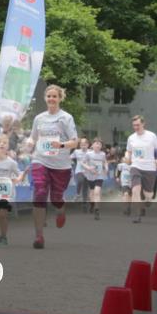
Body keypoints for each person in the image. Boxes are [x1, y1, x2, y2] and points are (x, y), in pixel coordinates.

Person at [29, 85, 78, 249]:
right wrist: (29, 143)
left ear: (60, 98)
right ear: (45, 98)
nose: (51, 99)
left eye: (54, 96)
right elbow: (33, 138)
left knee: (56, 198)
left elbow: (75, 141)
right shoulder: (39, 118)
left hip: (61, 164)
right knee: (40, 191)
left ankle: (60, 209)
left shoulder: (66, 118)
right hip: (40, 159)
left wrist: (62, 145)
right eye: (49, 96)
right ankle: (39, 236)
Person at [0, 136, 25, 247]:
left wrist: (23, 174)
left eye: (4, 143)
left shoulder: (11, 162)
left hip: (6, 193)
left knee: (2, 215)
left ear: (7, 146)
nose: (1, 144)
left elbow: (19, 175)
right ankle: (2, 233)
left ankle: (3, 237)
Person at [126, 115, 157, 224]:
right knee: (135, 190)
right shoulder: (131, 138)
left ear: (143, 124)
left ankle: (148, 199)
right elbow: (128, 151)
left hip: (149, 168)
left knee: (148, 194)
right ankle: (137, 214)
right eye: (134, 125)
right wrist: (127, 156)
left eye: (138, 125)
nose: (136, 127)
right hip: (136, 166)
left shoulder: (151, 136)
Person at [82, 139, 108, 220]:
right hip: (90, 175)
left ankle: (97, 211)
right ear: (92, 145)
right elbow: (82, 163)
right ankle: (92, 204)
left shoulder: (103, 154)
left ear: (101, 146)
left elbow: (105, 162)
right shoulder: (88, 154)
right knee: (92, 193)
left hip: (99, 175)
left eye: (99, 144)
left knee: (97, 192)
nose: (98, 145)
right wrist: (89, 168)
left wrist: (106, 168)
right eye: (96, 144)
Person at [71, 137, 91, 210]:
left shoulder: (90, 152)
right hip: (79, 171)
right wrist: (70, 161)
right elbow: (70, 157)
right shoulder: (76, 151)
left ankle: (84, 204)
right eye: (81, 144)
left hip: (88, 172)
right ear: (80, 145)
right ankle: (77, 194)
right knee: (80, 180)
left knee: (85, 188)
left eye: (84, 144)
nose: (83, 146)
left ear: (88, 145)